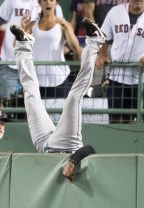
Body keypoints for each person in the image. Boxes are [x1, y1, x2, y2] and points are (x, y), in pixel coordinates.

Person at [9, 17, 105, 182]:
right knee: (74, 98)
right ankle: (95, 42)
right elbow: (90, 149)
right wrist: (74, 162)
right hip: (67, 145)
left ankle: (24, 47)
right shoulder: (78, 172)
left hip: (43, 147)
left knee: (31, 98)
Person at [0, 0, 63, 100]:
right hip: (11, 63)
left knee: (32, 110)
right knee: (9, 105)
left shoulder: (55, 7)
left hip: (36, 69)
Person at [23, 0, 83, 99]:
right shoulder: (32, 25)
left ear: (56, 3)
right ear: (39, 3)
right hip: (36, 79)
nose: (48, 3)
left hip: (59, 78)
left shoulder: (63, 24)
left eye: (51, 0)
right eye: (44, 0)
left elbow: (75, 48)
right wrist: (23, 29)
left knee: (60, 115)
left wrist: (67, 29)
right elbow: (19, 46)